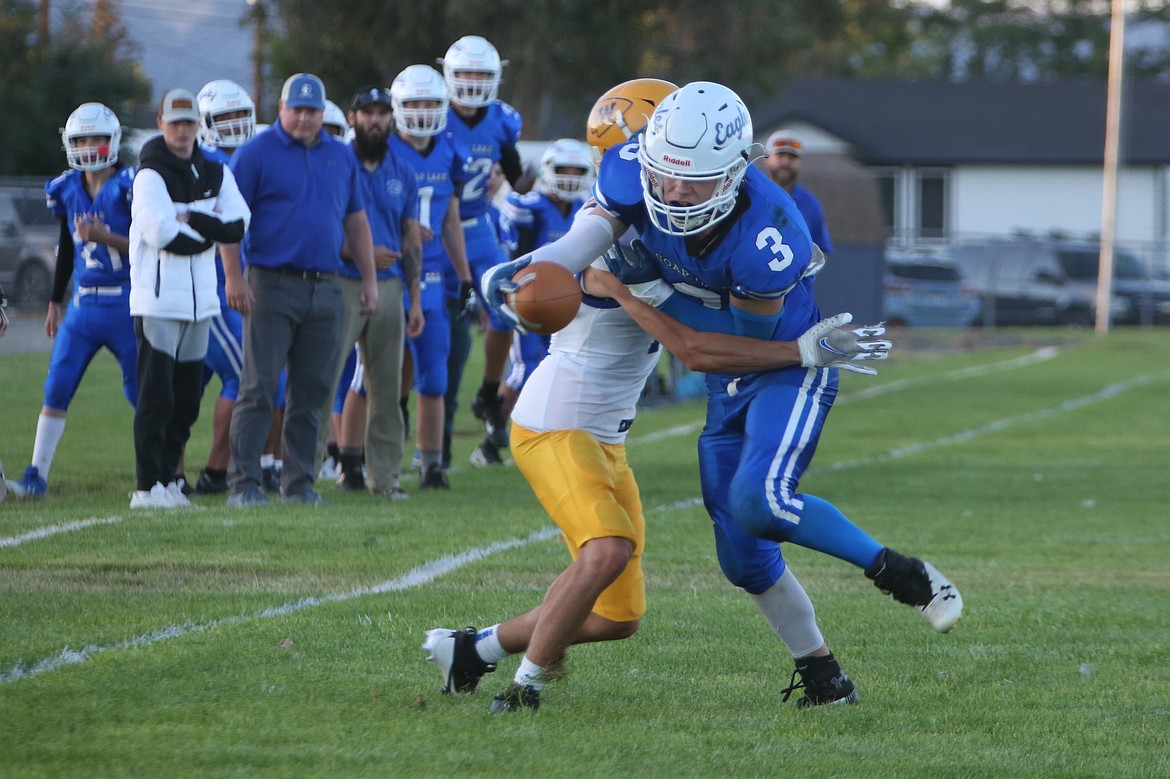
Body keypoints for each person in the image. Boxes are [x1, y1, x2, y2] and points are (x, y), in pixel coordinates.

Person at [473, 81, 962, 709]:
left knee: (760, 502)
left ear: (734, 172)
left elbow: (717, 347)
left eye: (694, 182)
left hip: (783, 362)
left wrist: (637, 294)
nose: (674, 192)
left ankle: (901, 573)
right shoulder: (635, 168)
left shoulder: (768, 232)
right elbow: (584, 242)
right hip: (726, 375)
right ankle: (825, 680)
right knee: (743, 561)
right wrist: (531, 265)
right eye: (664, 174)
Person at [222, 72, 378, 506]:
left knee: (312, 390)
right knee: (259, 387)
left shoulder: (339, 156)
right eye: (298, 109)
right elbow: (230, 220)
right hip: (270, 284)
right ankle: (244, 484)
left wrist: (367, 279)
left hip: (326, 284)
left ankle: (299, 484)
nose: (305, 119)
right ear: (281, 108)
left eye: (313, 110)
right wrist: (234, 276)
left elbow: (356, 220)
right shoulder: (255, 153)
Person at [7, 103, 137, 498]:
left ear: (112, 141)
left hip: (128, 302)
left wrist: (106, 238)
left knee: (142, 394)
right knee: (56, 386)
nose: (88, 146)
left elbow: (150, 248)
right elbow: (67, 244)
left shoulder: (131, 184)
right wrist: (53, 300)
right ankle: (36, 476)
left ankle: (163, 474)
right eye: (81, 139)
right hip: (83, 305)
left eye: (96, 138)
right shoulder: (65, 186)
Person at [128, 88, 250, 509]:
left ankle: (169, 483)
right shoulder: (149, 176)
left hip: (202, 304)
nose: (182, 131)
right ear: (160, 124)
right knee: (155, 399)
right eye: (174, 122)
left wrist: (193, 218)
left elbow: (238, 225)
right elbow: (162, 235)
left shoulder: (215, 171)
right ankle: (147, 489)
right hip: (159, 302)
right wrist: (210, 227)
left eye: (189, 123)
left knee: (185, 405)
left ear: (200, 126)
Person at [321, 85, 425, 498]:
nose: (375, 120)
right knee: (323, 379)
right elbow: (319, 226)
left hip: (391, 288)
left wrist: (415, 299)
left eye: (383, 113)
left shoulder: (403, 172)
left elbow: (411, 238)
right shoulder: (335, 164)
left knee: (386, 388)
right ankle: (303, 475)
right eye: (367, 113)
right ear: (352, 118)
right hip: (342, 282)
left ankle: (384, 478)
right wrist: (358, 251)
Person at [469, 138, 594, 468]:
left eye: (576, 171)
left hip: (568, 305)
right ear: (548, 173)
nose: (569, 177)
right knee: (527, 368)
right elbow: (515, 240)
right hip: (529, 299)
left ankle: (526, 435)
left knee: (564, 369)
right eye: (562, 170)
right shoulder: (531, 205)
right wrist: (518, 194)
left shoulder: (586, 208)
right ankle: (495, 434)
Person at [437, 35, 525, 470]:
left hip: (480, 226)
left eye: (481, 75)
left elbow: (517, 173)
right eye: (466, 73)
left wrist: (504, 182)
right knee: (439, 331)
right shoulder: (433, 114)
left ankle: (491, 391)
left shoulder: (502, 121)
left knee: (506, 304)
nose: (472, 83)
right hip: (435, 232)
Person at [388, 64, 474, 490]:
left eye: (429, 103)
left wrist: (465, 275)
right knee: (371, 375)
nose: (422, 112)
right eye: (414, 103)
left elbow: (452, 221)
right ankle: (351, 459)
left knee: (435, 372)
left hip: (435, 273)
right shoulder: (380, 149)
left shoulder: (449, 150)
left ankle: (431, 463)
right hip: (388, 271)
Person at [187, 78, 257, 496]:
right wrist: (233, 275)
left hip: (242, 283)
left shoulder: (251, 154)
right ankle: (213, 471)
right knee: (241, 375)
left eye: (239, 116)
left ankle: (205, 472)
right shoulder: (205, 163)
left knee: (195, 384)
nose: (233, 125)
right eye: (224, 117)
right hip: (213, 286)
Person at [762, 131, 833, 256]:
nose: (785, 162)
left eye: (792, 157)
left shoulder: (810, 204)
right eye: (780, 155)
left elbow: (821, 251)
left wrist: (805, 274)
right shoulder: (750, 193)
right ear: (766, 158)